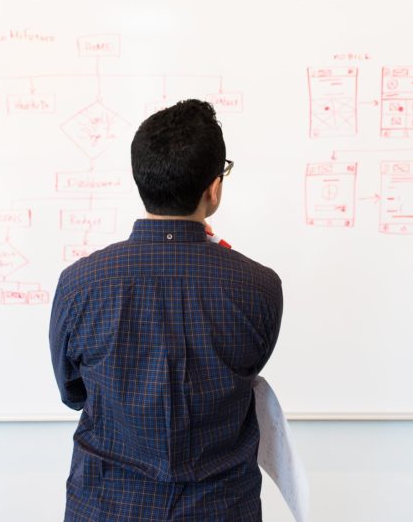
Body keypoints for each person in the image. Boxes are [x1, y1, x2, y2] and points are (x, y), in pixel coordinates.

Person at [49, 99, 284, 521]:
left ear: (141, 179)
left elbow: (73, 393)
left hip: (107, 507)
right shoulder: (259, 287)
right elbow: (246, 372)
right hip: (220, 510)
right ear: (213, 188)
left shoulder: (79, 284)